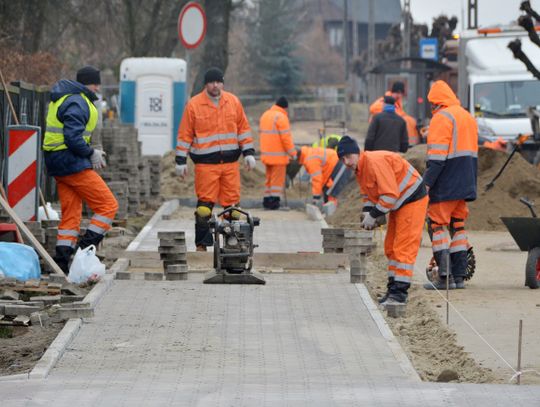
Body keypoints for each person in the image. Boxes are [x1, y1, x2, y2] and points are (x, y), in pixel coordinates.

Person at [43, 65, 118, 273]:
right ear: (92, 84)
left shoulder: (65, 97)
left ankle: (61, 263)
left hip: (58, 163)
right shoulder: (77, 101)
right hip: (70, 162)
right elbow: (72, 137)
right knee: (108, 206)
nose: (98, 88)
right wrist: (90, 153)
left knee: (71, 216)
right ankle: (83, 252)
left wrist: (89, 151)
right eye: (97, 84)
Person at [337, 136, 428, 305]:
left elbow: (389, 195)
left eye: (348, 157)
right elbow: (369, 194)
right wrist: (367, 212)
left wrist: (373, 215)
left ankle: (399, 295)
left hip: (412, 200)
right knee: (390, 247)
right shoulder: (360, 169)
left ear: (357, 152)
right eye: (342, 160)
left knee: (403, 247)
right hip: (399, 204)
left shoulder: (374, 162)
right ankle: (393, 289)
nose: (346, 162)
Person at [175, 67, 255, 251]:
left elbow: (243, 129)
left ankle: (232, 243)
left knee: (233, 207)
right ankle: (202, 246)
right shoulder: (194, 105)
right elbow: (185, 135)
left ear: (222, 83)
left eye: (219, 82)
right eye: (212, 82)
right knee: (204, 207)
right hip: (205, 165)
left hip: (230, 164)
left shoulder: (233, 102)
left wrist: (249, 152)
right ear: (206, 84)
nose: (215, 85)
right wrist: (180, 161)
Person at [423, 80, 478, 290]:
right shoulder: (466, 116)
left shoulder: (441, 118)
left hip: (446, 182)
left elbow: (437, 159)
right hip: (465, 181)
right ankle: (458, 277)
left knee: (437, 226)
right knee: (458, 227)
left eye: (431, 105)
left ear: (436, 103)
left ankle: (443, 278)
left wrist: (426, 185)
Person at [259, 96, 296, 210]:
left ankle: (266, 202)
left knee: (269, 180)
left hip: (266, 155)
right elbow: (286, 139)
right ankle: (274, 204)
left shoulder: (265, 115)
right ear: (285, 108)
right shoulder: (281, 117)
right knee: (277, 182)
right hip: (278, 156)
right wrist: (293, 153)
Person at [297, 145, 351, 216]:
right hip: (334, 168)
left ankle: (331, 216)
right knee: (327, 192)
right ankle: (327, 214)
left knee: (331, 194)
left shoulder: (310, 159)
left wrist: (316, 198)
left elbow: (317, 179)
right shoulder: (308, 154)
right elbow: (321, 177)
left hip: (341, 166)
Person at [369, 81, 420, 146]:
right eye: (398, 93)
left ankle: (410, 143)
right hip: (383, 127)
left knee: (410, 120)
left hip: (389, 126)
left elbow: (401, 113)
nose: (400, 96)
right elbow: (373, 108)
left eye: (401, 94)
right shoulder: (384, 100)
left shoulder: (397, 102)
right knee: (407, 120)